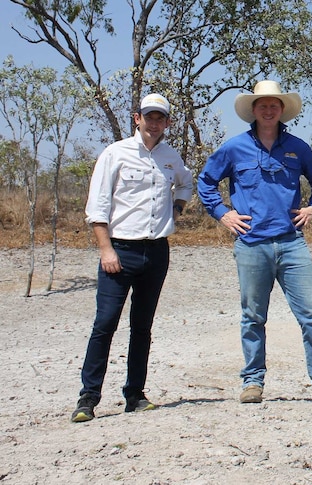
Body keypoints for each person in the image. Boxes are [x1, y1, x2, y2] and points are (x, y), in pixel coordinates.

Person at [197, 80, 312, 405]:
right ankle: (252, 382)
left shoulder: (297, 147)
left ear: (281, 109)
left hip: (292, 243)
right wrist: (223, 214)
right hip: (251, 244)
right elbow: (206, 181)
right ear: (253, 110)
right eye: (262, 104)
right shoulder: (234, 148)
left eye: (274, 105)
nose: (268, 109)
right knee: (253, 317)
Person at [72, 93, 193, 422]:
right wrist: (105, 249)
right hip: (119, 251)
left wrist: (177, 208)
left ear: (167, 123)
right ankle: (88, 398)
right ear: (136, 118)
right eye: (148, 117)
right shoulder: (115, 154)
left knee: (142, 326)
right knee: (105, 323)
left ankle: (135, 394)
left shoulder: (170, 157)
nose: (154, 123)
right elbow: (97, 207)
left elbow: (186, 183)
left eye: (160, 118)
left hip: (156, 252)